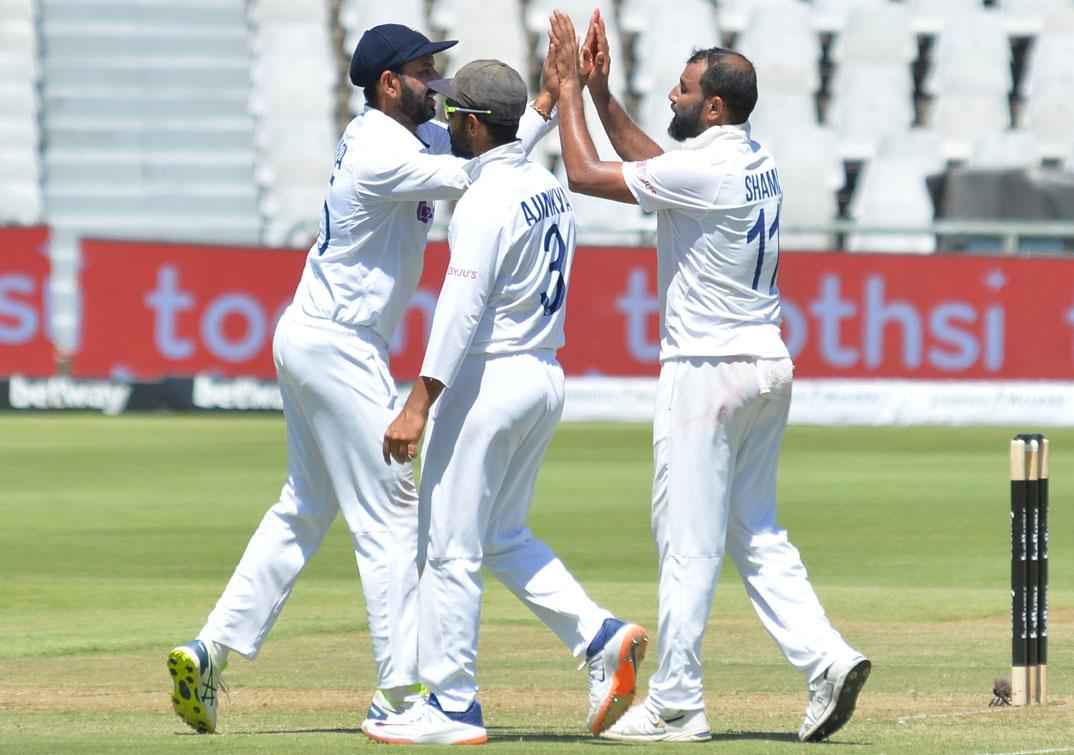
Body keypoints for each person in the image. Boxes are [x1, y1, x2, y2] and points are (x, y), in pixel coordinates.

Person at [166, 24, 559, 737]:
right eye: (423, 73)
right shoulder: (383, 150)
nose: (437, 87)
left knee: (303, 508)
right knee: (395, 512)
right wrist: (544, 115)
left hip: (317, 334)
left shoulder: (404, 138)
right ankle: (398, 694)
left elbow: (484, 143)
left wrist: (548, 104)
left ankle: (211, 648)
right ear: (388, 83)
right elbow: (485, 172)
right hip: (338, 343)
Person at [546, 11, 870, 743]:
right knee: (755, 531)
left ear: (714, 105)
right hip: (766, 366)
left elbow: (583, 173)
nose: (672, 94)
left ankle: (677, 702)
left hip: (707, 372)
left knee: (687, 541)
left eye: (684, 89)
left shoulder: (709, 164)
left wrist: (566, 86)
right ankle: (826, 658)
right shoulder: (749, 155)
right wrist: (600, 96)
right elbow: (655, 166)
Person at [364, 58, 648, 746]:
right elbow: (513, 151)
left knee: (451, 549)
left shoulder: (485, 201)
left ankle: (453, 703)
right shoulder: (542, 182)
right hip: (543, 375)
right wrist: (554, 98)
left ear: (469, 122)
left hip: (489, 382)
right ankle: (600, 635)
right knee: (502, 536)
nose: (444, 122)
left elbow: (460, 307)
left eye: (451, 114)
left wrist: (418, 401)